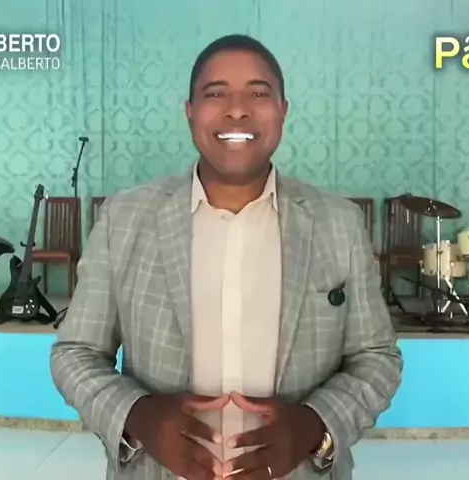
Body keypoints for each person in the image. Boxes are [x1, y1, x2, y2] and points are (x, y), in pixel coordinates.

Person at [50, 34, 403, 480]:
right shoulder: (124, 218)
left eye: (258, 93)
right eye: (216, 94)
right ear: (190, 111)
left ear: (283, 111)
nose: (237, 110)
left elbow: (377, 358)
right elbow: (76, 352)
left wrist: (316, 426)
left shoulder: (339, 223)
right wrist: (139, 416)